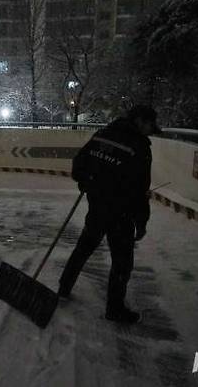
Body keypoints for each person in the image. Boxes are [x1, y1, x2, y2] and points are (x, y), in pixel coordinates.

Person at [58, 105, 159, 323]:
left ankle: (63, 287)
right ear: (140, 121)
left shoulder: (103, 133)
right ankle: (114, 309)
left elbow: (79, 165)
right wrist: (141, 222)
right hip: (120, 215)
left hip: (97, 208)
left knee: (83, 249)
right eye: (150, 124)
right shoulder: (139, 147)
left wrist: (88, 182)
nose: (151, 130)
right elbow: (140, 190)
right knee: (122, 263)